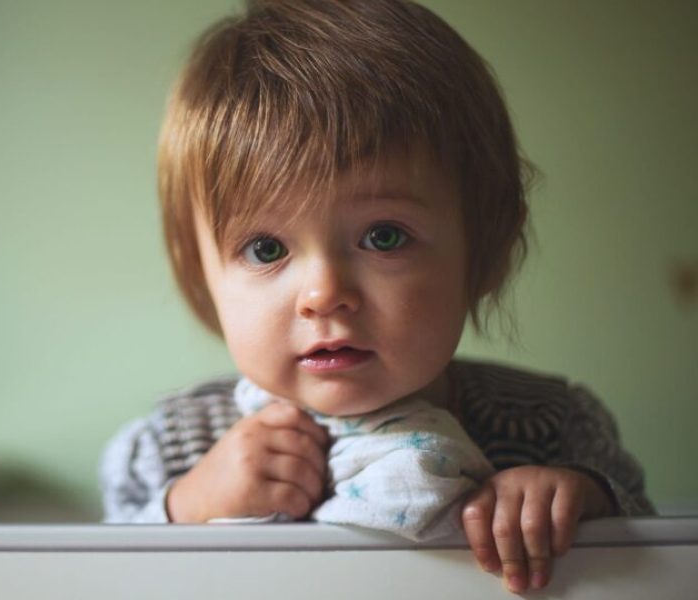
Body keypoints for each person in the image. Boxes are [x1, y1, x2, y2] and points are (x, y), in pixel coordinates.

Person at [99, 0, 654, 594]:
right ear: (199, 270)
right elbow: (101, 575)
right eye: (265, 249)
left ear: (486, 248)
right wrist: (184, 509)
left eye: (384, 236)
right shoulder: (172, 445)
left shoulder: (550, 427)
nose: (324, 295)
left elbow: (655, 560)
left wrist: (582, 505)